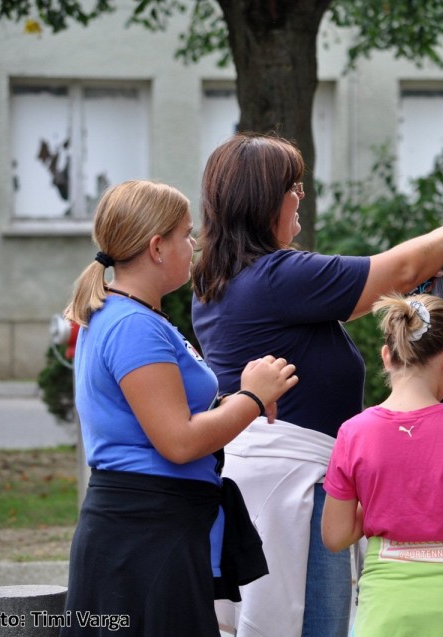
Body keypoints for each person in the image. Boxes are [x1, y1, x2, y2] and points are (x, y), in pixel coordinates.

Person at [191, 133, 443, 637]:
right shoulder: (277, 276)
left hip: (271, 476)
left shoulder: (225, 279)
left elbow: (377, 287)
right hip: (293, 484)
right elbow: (403, 268)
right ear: (263, 200)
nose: (300, 196)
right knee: (314, 627)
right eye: (292, 187)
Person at [61, 180, 299, 636]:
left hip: (148, 529)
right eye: (187, 234)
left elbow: (162, 418)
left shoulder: (128, 315)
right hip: (146, 534)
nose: (195, 245)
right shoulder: (133, 325)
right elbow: (179, 441)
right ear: (157, 247)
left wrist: (234, 403)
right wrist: (251, 398)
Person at [321, 294, 443, 636]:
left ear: (386, 356)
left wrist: (386, 503)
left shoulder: (353, 433)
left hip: (384, 609)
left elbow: (335, 536)